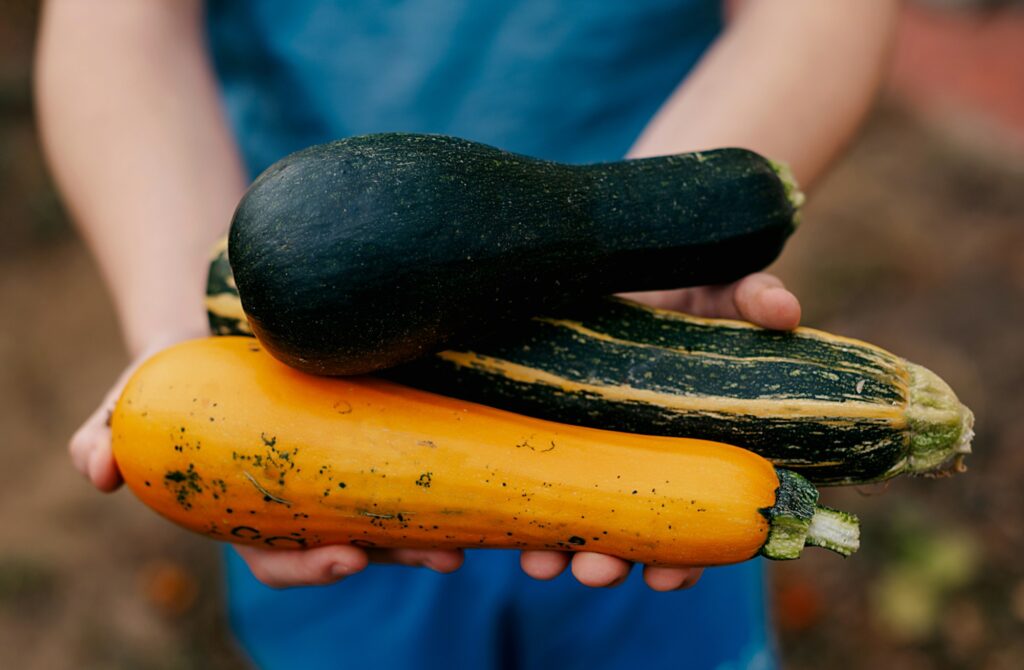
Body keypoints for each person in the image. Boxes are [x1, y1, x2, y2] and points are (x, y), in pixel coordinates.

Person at [35, 1, 899, 667]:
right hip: (301, 410)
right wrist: (182, 332)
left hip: (657, 432)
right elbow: (118, 29)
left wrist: (665, 249)